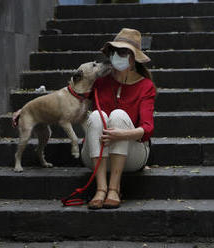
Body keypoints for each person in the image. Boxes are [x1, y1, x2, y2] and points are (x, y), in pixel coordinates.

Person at [81, 28, 156, 209]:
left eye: (123, 53)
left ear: (133, 59)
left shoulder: (146, 86)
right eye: (114, 52)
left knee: (119, 115)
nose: (116, 56)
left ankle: (114, 188)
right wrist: (27, 109)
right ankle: (101, 189)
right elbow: (70, 99)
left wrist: (122, 135)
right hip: (96, 154)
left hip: (132, 156)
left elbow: (147, 129)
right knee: (98, 115)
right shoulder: (99, 82)